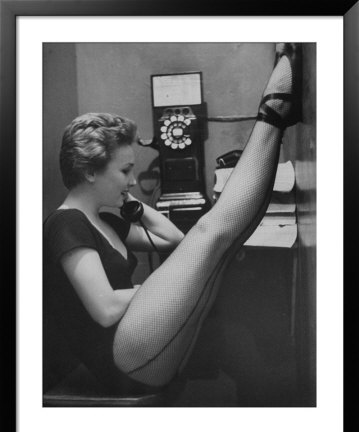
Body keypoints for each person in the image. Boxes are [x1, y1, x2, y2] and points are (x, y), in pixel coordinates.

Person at [43, 43, 302, 395]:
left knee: (217, 274)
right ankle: (274, 115)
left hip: (135, 343)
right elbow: (104, 309)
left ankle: (275, 117)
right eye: (125, 171)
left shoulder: (105, 222)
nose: (133, 180)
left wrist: (130, 203)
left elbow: (174, 242)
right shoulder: (65, 223)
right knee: (210, 233)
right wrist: (154, 291)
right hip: (119, 359)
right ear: (90, 172)